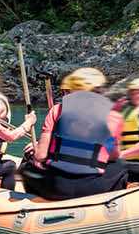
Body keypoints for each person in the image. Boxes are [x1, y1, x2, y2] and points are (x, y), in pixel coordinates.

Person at [22, 68, 128, 199]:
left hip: (56, 187)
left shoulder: (57, 110)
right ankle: (109, 206)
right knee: (120, 166)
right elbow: (113, 155)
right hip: (93, 188)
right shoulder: (113, 116)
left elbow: (41, 155)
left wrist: (40, 146)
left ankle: (38, 204)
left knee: (27, 168)